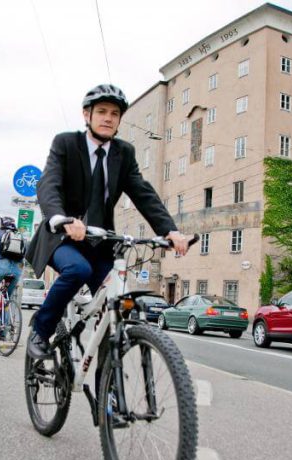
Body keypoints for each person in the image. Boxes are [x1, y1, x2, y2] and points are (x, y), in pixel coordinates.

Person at [25, 84, 189, 360]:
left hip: (99, 243)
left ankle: (108, 387)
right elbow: (48, 183)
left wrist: (169, 230)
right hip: (62, 238)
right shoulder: (66, 143)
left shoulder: (123, 153)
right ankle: (41, 330)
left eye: (115, 113)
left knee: (122, 303)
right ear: (86, 115)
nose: (108, 118)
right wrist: (60, 218)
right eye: (101, 111)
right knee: (77, 269)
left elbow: (142, 192)